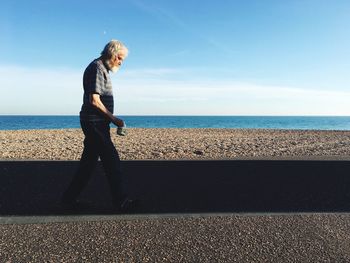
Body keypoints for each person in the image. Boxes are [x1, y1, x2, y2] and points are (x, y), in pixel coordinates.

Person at [61, 40, 134, 212]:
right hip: (94, 124)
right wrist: (114, 119)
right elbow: (94, 100)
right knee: (112, 162)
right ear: (112, 54)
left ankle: (68, 200)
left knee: (88, 164)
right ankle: (121, 202)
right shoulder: (97, 68)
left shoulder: (101, 68)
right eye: (120, 58)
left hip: (96, 123)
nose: (121, 62)